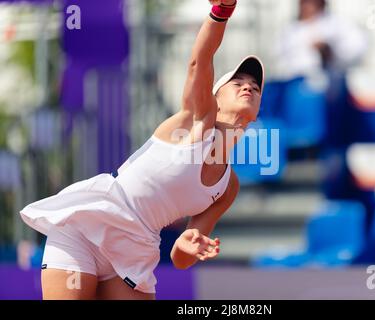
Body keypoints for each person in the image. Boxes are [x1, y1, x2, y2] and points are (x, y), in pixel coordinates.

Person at [19, 0, 264, 300]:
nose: (248, 86)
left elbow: (180, 258)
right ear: (214, 96)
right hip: (91, 221)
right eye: (237, 81)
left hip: (138, 248)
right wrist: (220, 13)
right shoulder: (194, 121)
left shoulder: (228, 187)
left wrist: (189, 244)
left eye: (255, 85)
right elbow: (200, 61)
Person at [272, 0, 367, 80]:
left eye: (311, 2)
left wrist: (330, 51)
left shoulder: (336, 24)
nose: (307, 6)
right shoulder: (290, 30)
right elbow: (280, 61)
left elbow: (356, 48)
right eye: (304, 2)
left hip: (329, 84)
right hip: (295, 85)